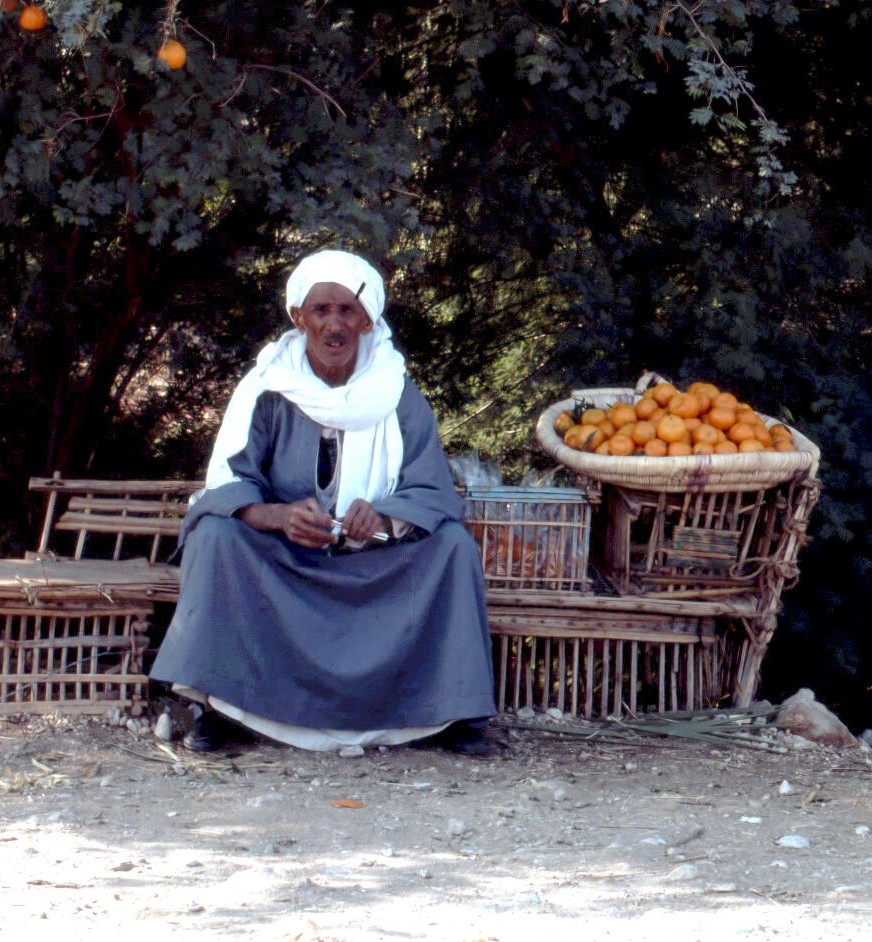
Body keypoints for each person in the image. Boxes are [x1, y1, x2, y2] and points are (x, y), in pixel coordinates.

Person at [150, 249, 496, 754]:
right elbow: (225, 484)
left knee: (452, 549)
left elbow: (432, 490)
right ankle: (219, 706)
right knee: (215, 536)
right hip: (283, 563)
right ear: (299, 318)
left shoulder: (397, 392)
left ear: (367, 320)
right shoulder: (267, 388)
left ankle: (453, 712)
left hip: (372, 564)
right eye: (321, 311)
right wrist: (277, 517)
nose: (334, 325)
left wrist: (385, 517)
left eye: (346, 311)